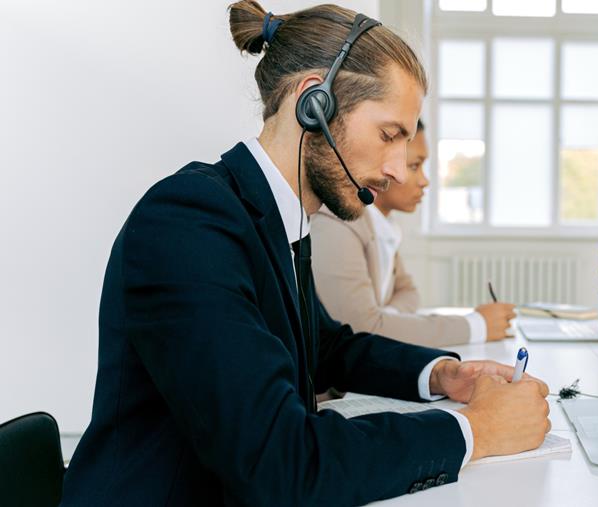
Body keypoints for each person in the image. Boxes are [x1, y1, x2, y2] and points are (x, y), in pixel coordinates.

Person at [59, 3, 550, 506]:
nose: (399, 170)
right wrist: (475, 429)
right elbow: (279, 462)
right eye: (388, 136)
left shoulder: (276, 220)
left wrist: (442, 374)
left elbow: (327, 346)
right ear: (313, 102)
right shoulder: (189, 223)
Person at [310, 120, 516, 347]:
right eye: (415, 166)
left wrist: (384, 318)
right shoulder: (337, 224)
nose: (424, 181)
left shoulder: (383, 226)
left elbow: (408, 292)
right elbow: (363, 330)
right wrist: (476, 326)